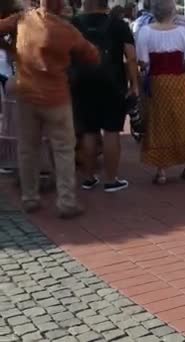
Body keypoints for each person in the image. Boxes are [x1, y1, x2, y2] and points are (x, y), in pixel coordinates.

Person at [0, 0, 100, 218]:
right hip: (57, 97)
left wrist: (11, 48)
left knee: (27, 149)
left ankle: (30, 198)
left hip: (27, 95)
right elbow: (92, 55)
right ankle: (66, 201)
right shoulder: (67, 30)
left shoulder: (23, 19)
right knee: (63, 150)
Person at [71, 0, 139, 193]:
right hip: (112, 83)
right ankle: (111, 179)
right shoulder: (118, 24)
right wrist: (134, 84)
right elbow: (131, 56)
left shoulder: (75, 23)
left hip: (83, 82)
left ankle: (89, 177)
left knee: (88, 131)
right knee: (111, 131)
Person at [136, 0, 185, 184]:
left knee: (160, 122)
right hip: (180, 80)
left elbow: (142, 62)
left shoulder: (145, 31)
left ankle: (161, 171)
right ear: (172, 12)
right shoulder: (182, 32)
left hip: (158, 82)